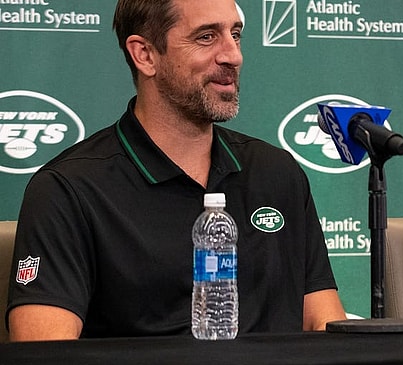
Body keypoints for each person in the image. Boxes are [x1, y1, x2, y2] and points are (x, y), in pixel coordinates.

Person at [6, 0, 347, 341]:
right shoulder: (68, 189)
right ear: (145, 55)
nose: (233, 55)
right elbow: (46, 361)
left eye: (236, 34)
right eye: (206, 37)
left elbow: (324, 324)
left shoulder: (277, 172)